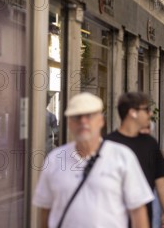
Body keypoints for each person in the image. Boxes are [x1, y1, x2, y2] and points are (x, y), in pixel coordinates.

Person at [33, 92, 153, 228]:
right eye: (77, 117)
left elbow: (138, 211)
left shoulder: (122, 156)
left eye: (89, 116)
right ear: (70, 123)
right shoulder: (54, 160)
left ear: (101, 121)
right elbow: (45, 211)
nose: (83, 121)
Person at [106, 92, 164, 228]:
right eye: (146, 110)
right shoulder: (108, 145)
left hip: (144, 220)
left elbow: (161, 183)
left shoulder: (150, 143)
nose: (150, 114)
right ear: (133, 113)